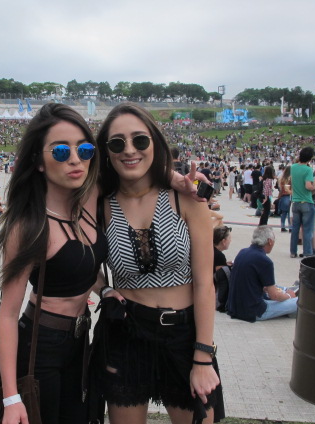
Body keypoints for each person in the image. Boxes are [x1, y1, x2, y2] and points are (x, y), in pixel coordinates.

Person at [0, 104, 112, 424]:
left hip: (81, 342)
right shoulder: (29, 225)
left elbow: (137, 176)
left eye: (85, 148)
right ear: (38, 160)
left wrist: (105, 292)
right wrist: (11, 398)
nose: (76, 159)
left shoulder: (89, 199)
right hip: (40, 347)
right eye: (62, 151)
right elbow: (7, 315)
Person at [95, 103, 223, 424]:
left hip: (183, 334)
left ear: (155, 142)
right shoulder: (100, 204)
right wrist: (104, 289)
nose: (129, 150)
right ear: (106, 152)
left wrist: (203, 356)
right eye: (117, 143)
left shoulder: (186, 198)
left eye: (140, 140)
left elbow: (205, 283)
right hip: (125, 334)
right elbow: (74, 258)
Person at [226, 226, 298, 322]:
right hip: (254, 311)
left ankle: (288, 291)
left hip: (234, 307)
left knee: (277, 288)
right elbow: (275, 296)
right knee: (298, 302)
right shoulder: (265, 261)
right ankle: (292, 298)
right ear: (270, 241)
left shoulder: (242, 252)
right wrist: (289, 296)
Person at [289, 147, 315, 258]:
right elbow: (308, 185)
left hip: (295, 201)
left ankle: (293, 251)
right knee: (307, 230)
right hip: (306, 201)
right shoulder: (308, 170)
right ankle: (307, 253)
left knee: (295, 229)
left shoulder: (293, 167)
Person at [277, 165, 292, 232]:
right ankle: (290, 227)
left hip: (283, 196)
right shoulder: (291, 178)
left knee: (283, 213)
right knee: (289, 213)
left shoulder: (282, 179)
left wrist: (278, 197)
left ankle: (282, 226)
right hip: (289, 195)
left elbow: (280, 190)